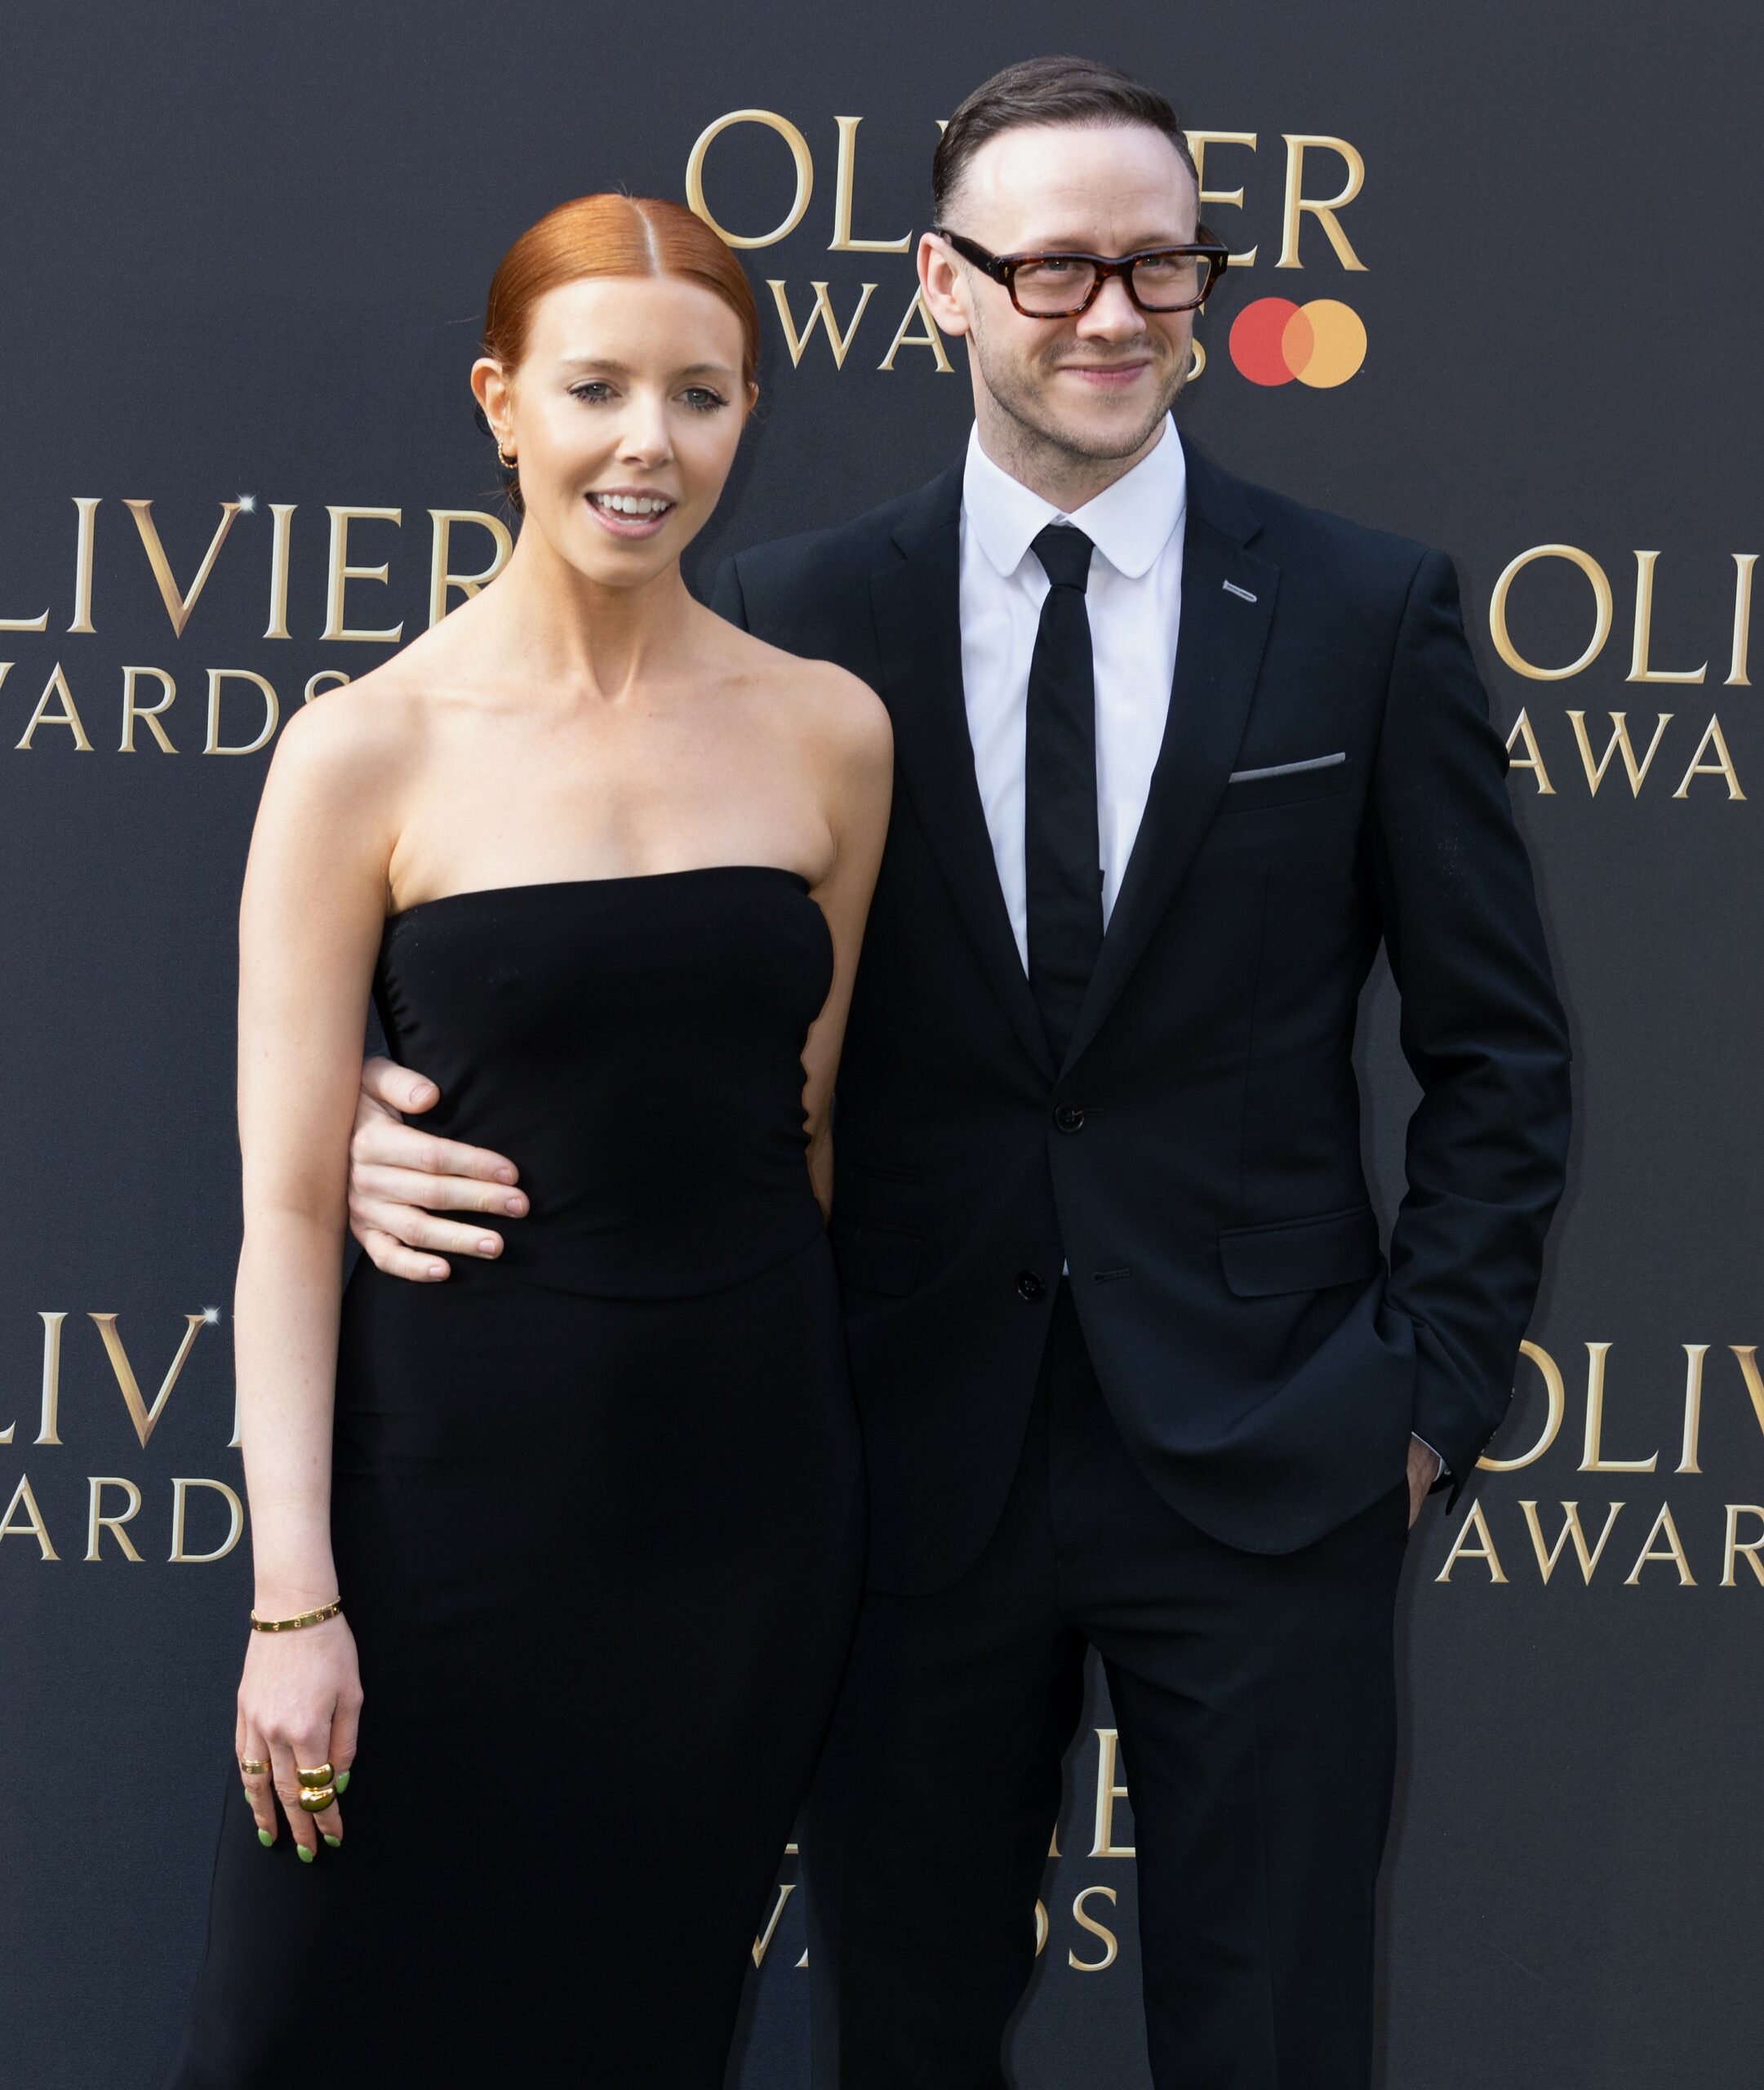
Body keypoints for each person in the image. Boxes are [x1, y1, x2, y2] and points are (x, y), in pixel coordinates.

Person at [345, 56, 1572, 2090]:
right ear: (937, 283)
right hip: (897, 1458)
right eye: (1058, 265)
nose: (1114, 313)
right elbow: (595, 970)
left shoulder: (1365, 612)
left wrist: (1422, 1404)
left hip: (1274, 1461)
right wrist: (348, 1122)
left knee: (1276, 2039)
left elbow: (1496, 1049)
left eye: (1163, 265)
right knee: (901, 2036)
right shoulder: (783, 616)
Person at [166, 193, 890, 2089]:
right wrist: (294, 1599)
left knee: (638, 2037)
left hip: (741, 1521)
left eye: (701, 395)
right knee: (292, 2036)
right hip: (439, 1522)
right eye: (595, 388)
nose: (648, 442)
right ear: (501, 404)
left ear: (749, 414)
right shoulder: (363, 749)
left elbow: (802, 1129)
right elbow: (285, 1202)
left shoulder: (828, 736)